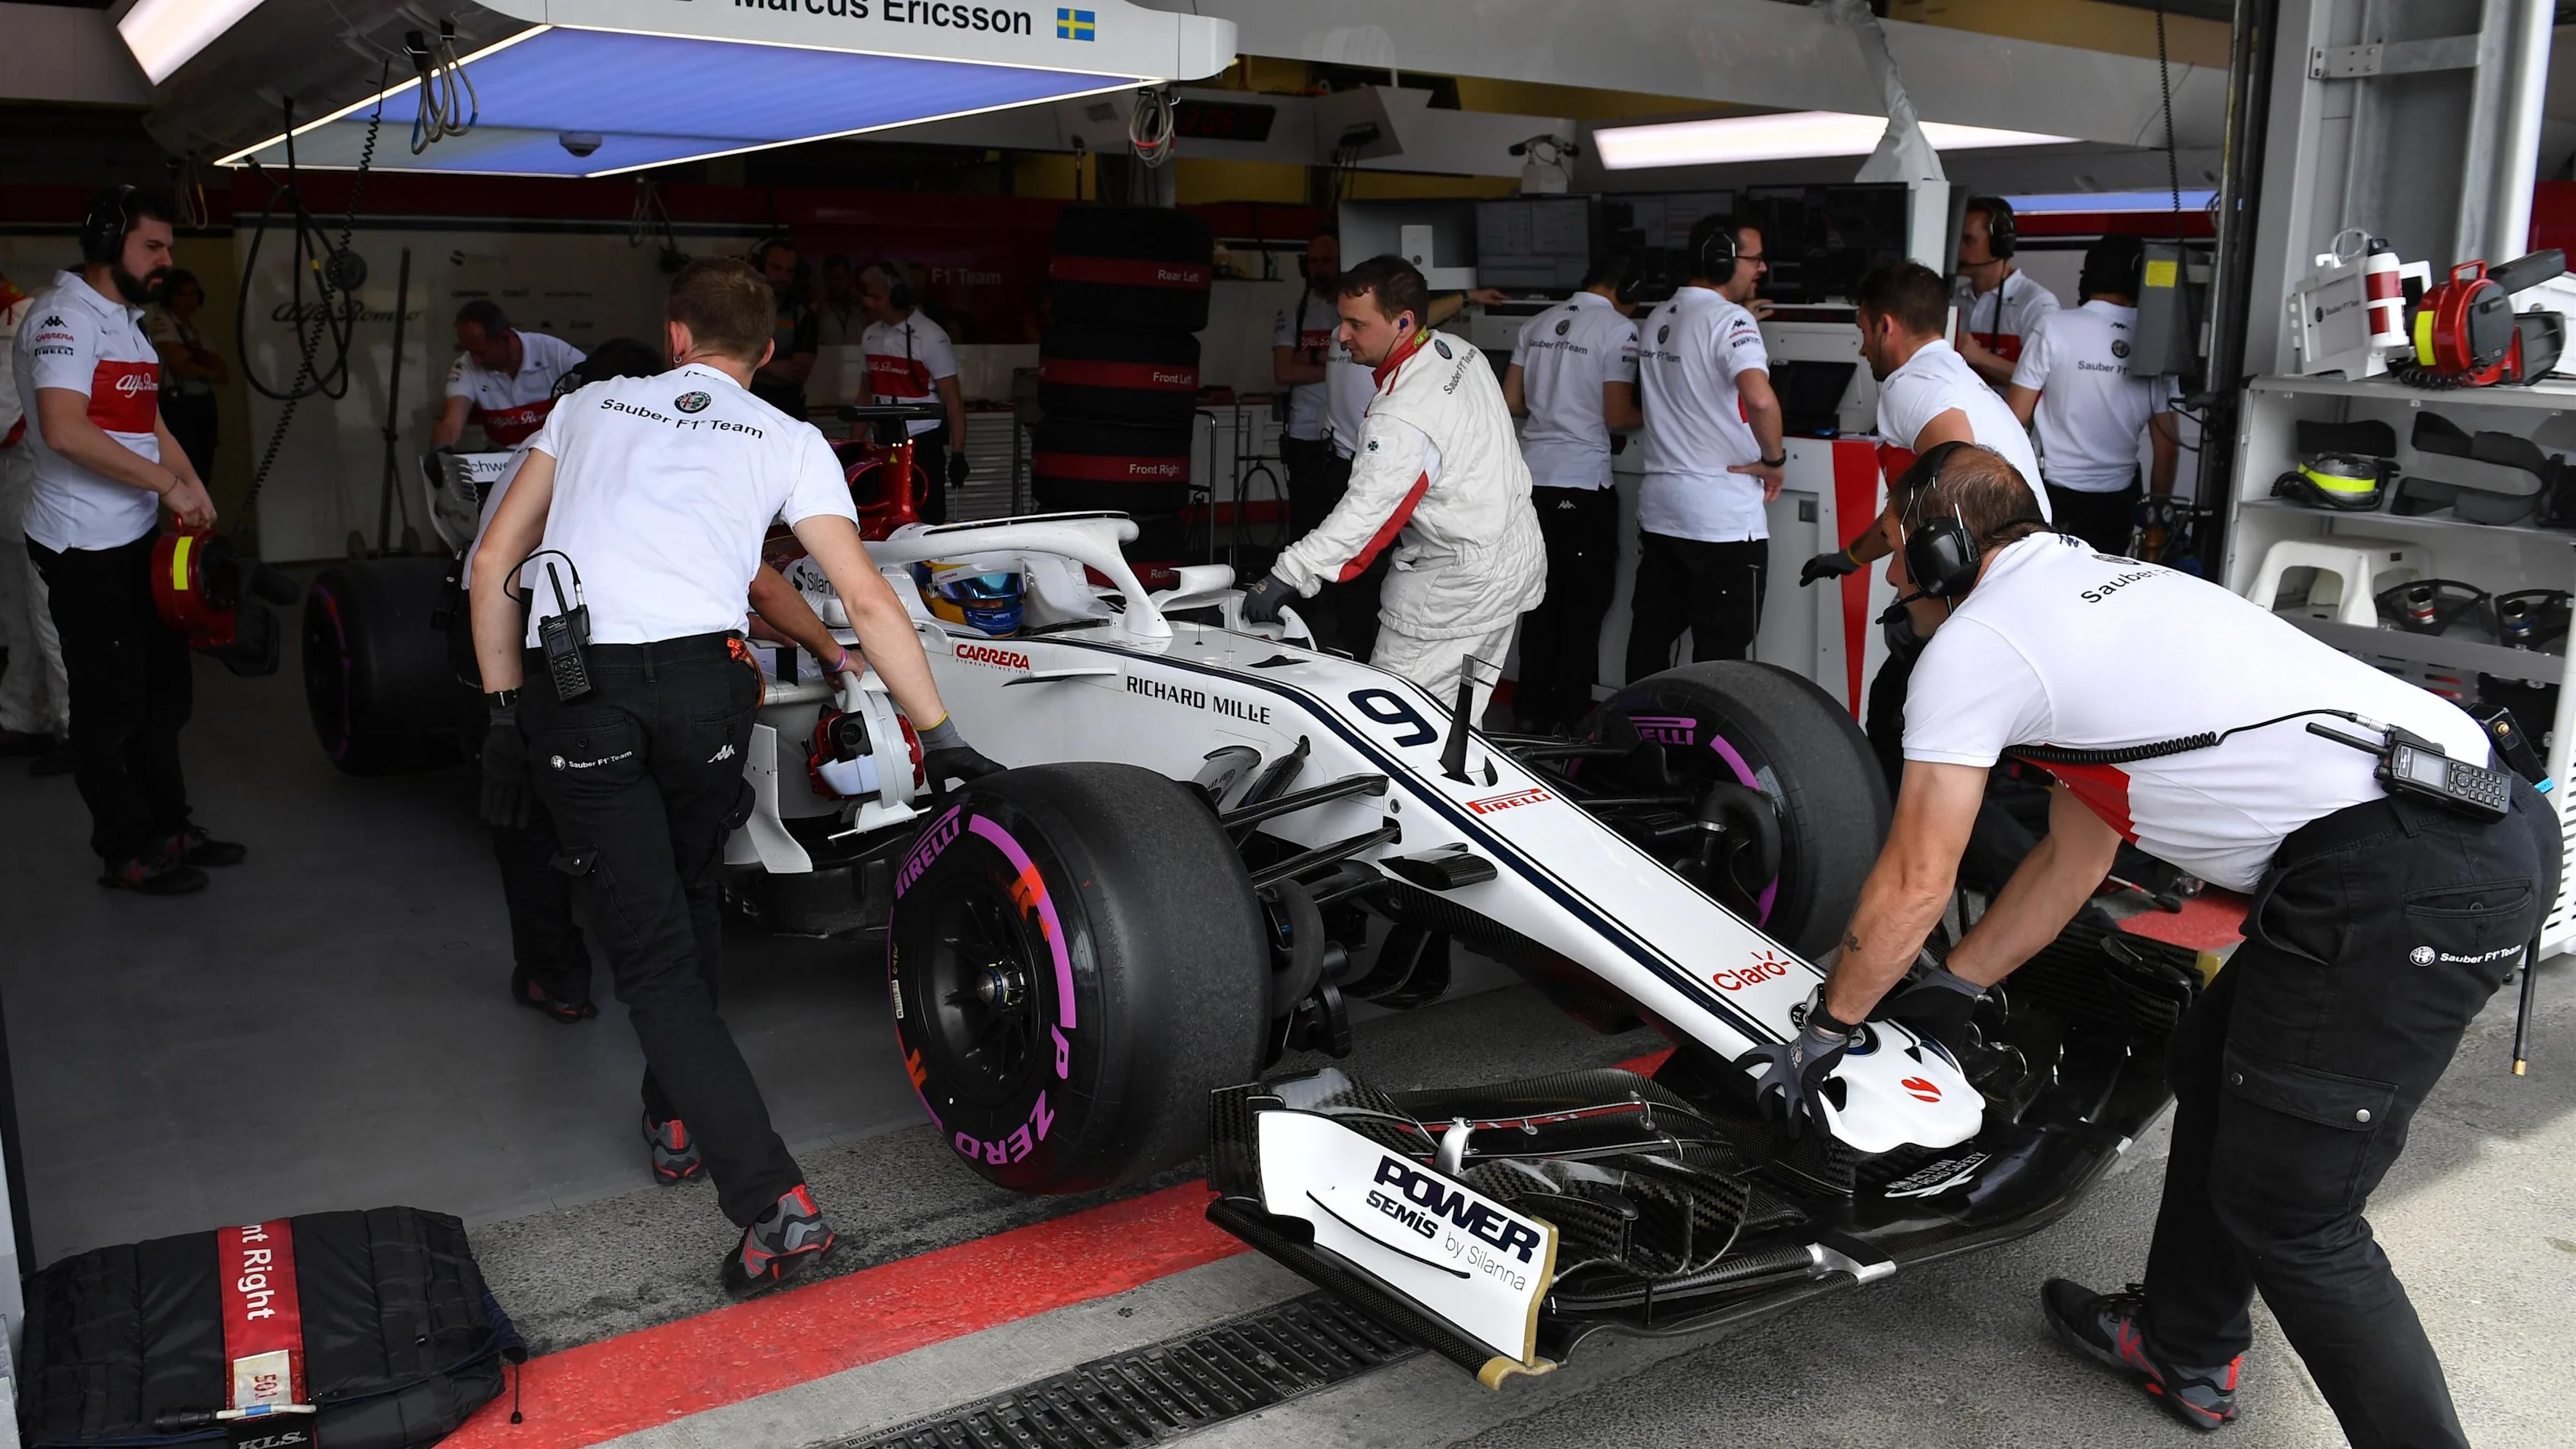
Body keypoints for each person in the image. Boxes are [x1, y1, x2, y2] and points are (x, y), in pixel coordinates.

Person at [1744, 441, 2556, 1448]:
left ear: (1948, 550)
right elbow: (2071, 861)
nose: (1897, 583)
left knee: (2300, 1224)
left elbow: (1917, 877)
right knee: (2216, 1065)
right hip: (2472, 822)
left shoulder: (1978, 643)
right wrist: (1954, 984)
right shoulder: (2105, 590)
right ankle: (2183, 1343)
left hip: (2406, 880)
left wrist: (1831, 1024)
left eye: (1903, 558)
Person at [470, 257, 1002, 1296]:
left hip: (583, 696)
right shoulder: (787, 437)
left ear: (674, 335)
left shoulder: (586, 406)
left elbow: (496, 562)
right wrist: (935, 732)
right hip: (709, 691)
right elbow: (858, 593)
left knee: (654, 954)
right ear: (765, 354)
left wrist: (502, 719)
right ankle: (674, 1114)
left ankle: (774, 1205)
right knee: (687, 897)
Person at [462, 337, 860, 1062]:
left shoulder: (568, 431)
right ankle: (673, 1093)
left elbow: (490, 563)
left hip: (541, 666)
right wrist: (833, 653)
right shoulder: (649, 441)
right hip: (560, 656)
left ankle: (558, 977)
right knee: (672, 885)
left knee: (531, 826)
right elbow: (756, 586)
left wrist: (502, 714)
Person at [12, 187, 235, 895]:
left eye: (169, 247)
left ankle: (169, 825)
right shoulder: (63, 318)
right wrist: (167, 488)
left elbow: (150, 423)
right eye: (153, 246)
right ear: (110, 244)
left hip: (138, 536)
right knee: (109, 708)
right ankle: (125, 850)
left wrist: (189, 483)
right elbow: (64, 429)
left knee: (162, 696)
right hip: (84, 544)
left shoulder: (129, 324)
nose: (167, 259)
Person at [1241, 255, 1544, 716]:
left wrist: (1287, 575)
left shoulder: (1400, 415)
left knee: (1394, 723)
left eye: (1355, 324)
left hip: (1455, 587)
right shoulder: (1460, 352)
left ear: (1403, 322)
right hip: (1510, 556)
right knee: (1459, 723)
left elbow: (1368, 515)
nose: (1340, 336)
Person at [1800, 261, 2049, 784]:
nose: (1863, 347)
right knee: (1917, 720)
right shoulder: (1958, 378)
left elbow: (1954, 472)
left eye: (1862, 331)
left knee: (1905, 731)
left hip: (1982, 584)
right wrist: (1851, 558)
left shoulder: (1910, 384)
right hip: (2021, 574)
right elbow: (1918, 500)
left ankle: (1906, 844)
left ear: (1885, 325)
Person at [1624, 213, 1785, 681]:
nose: (1762, 269)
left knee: (1652, 641)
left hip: (1661, 510)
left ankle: (1634, 743)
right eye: (1754, 259)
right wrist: (1774, 462)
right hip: (1722, 520)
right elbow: (1759, 398)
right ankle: (1704, 754)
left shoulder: (1658, 316)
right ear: (1722, 261)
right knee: (1720, 658)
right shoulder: (1730, 319)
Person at [1502, 254, 1640, 734]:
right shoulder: (1618, 329)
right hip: (1583, 482)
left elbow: (1512, 402)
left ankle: (1527, 713)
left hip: (1532, 480)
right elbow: (1620, 416)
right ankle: (1568, 722)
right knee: (1582, 608)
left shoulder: (1536, 324)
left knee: (1539, 602)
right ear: (1628, 288)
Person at [2004, 234, 2183, 555]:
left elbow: (2015, 419)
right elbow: (2167, 447)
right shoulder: (2159, 344)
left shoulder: (2053, 327)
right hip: (2118, 501)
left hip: (2052, 494)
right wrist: (2158, 515)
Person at [0, 264, 71, 770]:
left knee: (50, 617)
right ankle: (24, 718)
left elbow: (11, 421)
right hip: (13, 494)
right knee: (18, 616)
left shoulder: (24, 322)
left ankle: (76, 727)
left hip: (37, 491)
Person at [857, 257, 967, 525]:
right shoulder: (870, 335)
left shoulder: (931, 335)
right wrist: (857, 448)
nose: (867, 303)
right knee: (879, 518)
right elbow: (864, 394)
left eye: (876, 297)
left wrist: (958, 454)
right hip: (882, 441)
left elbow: (953, 401)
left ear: (897, 296)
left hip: (923, 443)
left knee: (927, 521)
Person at [431, 300, 586, 449]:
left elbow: (600, 389)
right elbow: (451, 423)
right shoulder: (466, 365)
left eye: (481, 352)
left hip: (555, 456)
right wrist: (439, 450)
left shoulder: (554, 352)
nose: (475, 359)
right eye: (470, 351)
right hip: (500, 460)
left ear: (506, 338)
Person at [1952, 195, 2060, 390]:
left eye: (1968, 240)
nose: (1958, 249)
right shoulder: (1952, 299)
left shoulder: (2036, 303)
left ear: (1999, 243)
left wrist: (1980, 357)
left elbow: (2051, 380)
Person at [145, 269, 224, 487]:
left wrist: (201, 370)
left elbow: (222, 371)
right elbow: (179, 367)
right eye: (183, 294)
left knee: (204, 466)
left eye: (194, 294)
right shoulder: (163, 323)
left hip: (203, 403)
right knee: (182, 468)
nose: (190, 300)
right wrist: (205, 371)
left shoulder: (198, 330)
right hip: (178, 403)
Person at [751, 237, 820, 418]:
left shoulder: (803, 314)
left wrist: (751, 365)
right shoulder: (740, 308)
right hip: (746, 406)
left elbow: (796, 374)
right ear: (760, 267)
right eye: (776, 268)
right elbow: (723, 361)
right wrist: (773, 368)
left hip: (788, 410)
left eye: (789, 271)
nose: (783, 277)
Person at [814, 254, 863, 347]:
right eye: (829, 278)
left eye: (839, 278)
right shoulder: (814, 311)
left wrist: (862, 302)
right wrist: (820, 310)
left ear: (849, 278)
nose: (834, 284)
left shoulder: (861, 312)